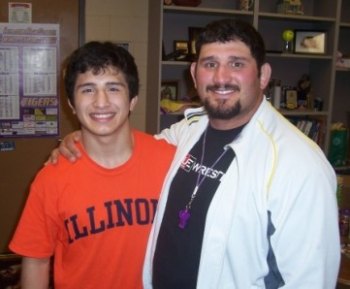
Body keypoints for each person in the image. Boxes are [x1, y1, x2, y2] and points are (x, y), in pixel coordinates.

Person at [51, 19, 340, 289]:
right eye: (210, 64)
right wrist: (86, 135)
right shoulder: (188, 130)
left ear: (263, 75)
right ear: (194, 74)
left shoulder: (299, 165)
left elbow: (311, 279)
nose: (221, 77)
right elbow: (129, 147)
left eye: (236, 63)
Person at [9, 41, 175, 289]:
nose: (101, 102)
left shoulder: (171, 162)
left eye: (113, 88)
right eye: (88, 89)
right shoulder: (52, 178)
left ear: (132, 100)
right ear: (72, 105)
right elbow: (36, 261)